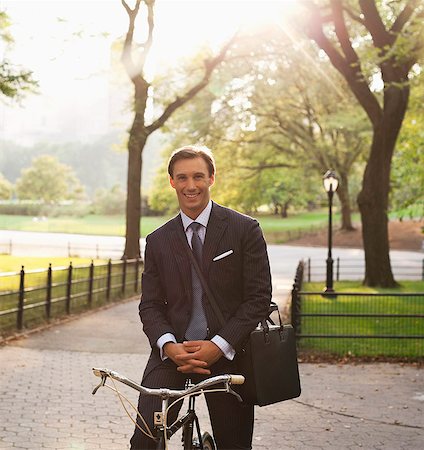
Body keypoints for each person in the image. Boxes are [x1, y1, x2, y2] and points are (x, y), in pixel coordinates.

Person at [130, 145, 272, 449]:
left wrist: (219, 346)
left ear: (211, 178)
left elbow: (258, 298)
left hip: (229, 353)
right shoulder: (158, 240)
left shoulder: (244, 229)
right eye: (182, 178)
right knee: (144, 441)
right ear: (172, 182)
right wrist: (168, 346)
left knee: (234, 445)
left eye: (198, 176)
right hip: (173, 355)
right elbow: (151, 305)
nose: (190, 185)